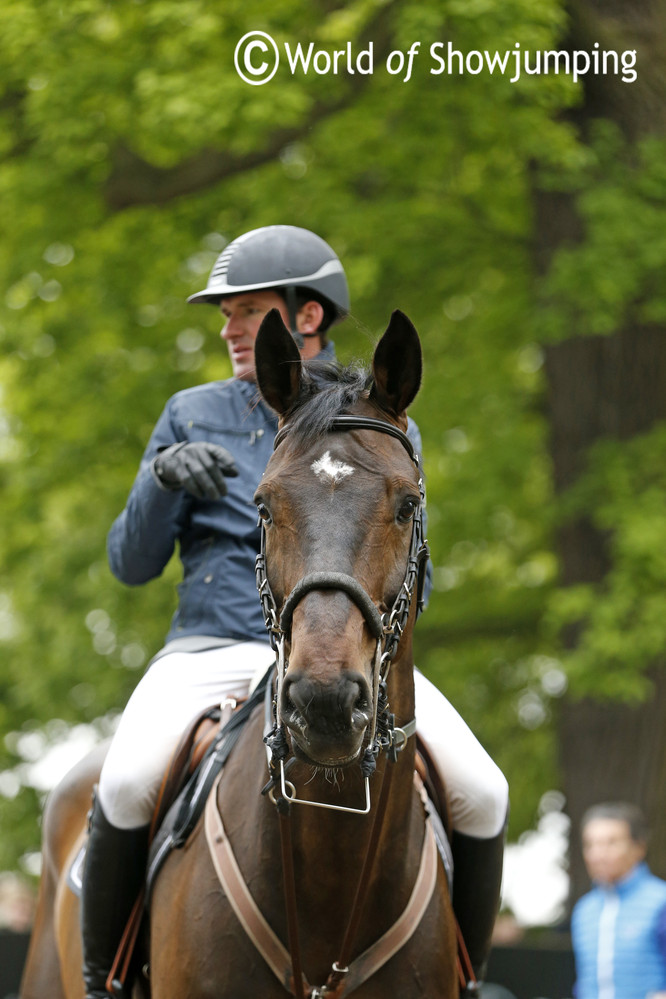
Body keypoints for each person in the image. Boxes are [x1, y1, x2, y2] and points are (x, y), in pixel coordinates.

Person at [81, 224, 509, 998]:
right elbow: (130, 563)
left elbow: (413, 576)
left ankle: (468, 981)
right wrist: (162, 478)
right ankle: (103, 982)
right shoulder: (190, 412)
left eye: (244, 310)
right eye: (227, 314)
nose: (228, 328)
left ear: (304, 315)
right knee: (124, 780)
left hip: (346, 648)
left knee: (485, 790)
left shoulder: (384, 424)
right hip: (211, 649)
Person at [571, 802, 666, 999]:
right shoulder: (584, 911)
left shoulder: (660, 902)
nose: (598, 854)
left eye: (611, 843)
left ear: (638, 848)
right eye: (590, 844)